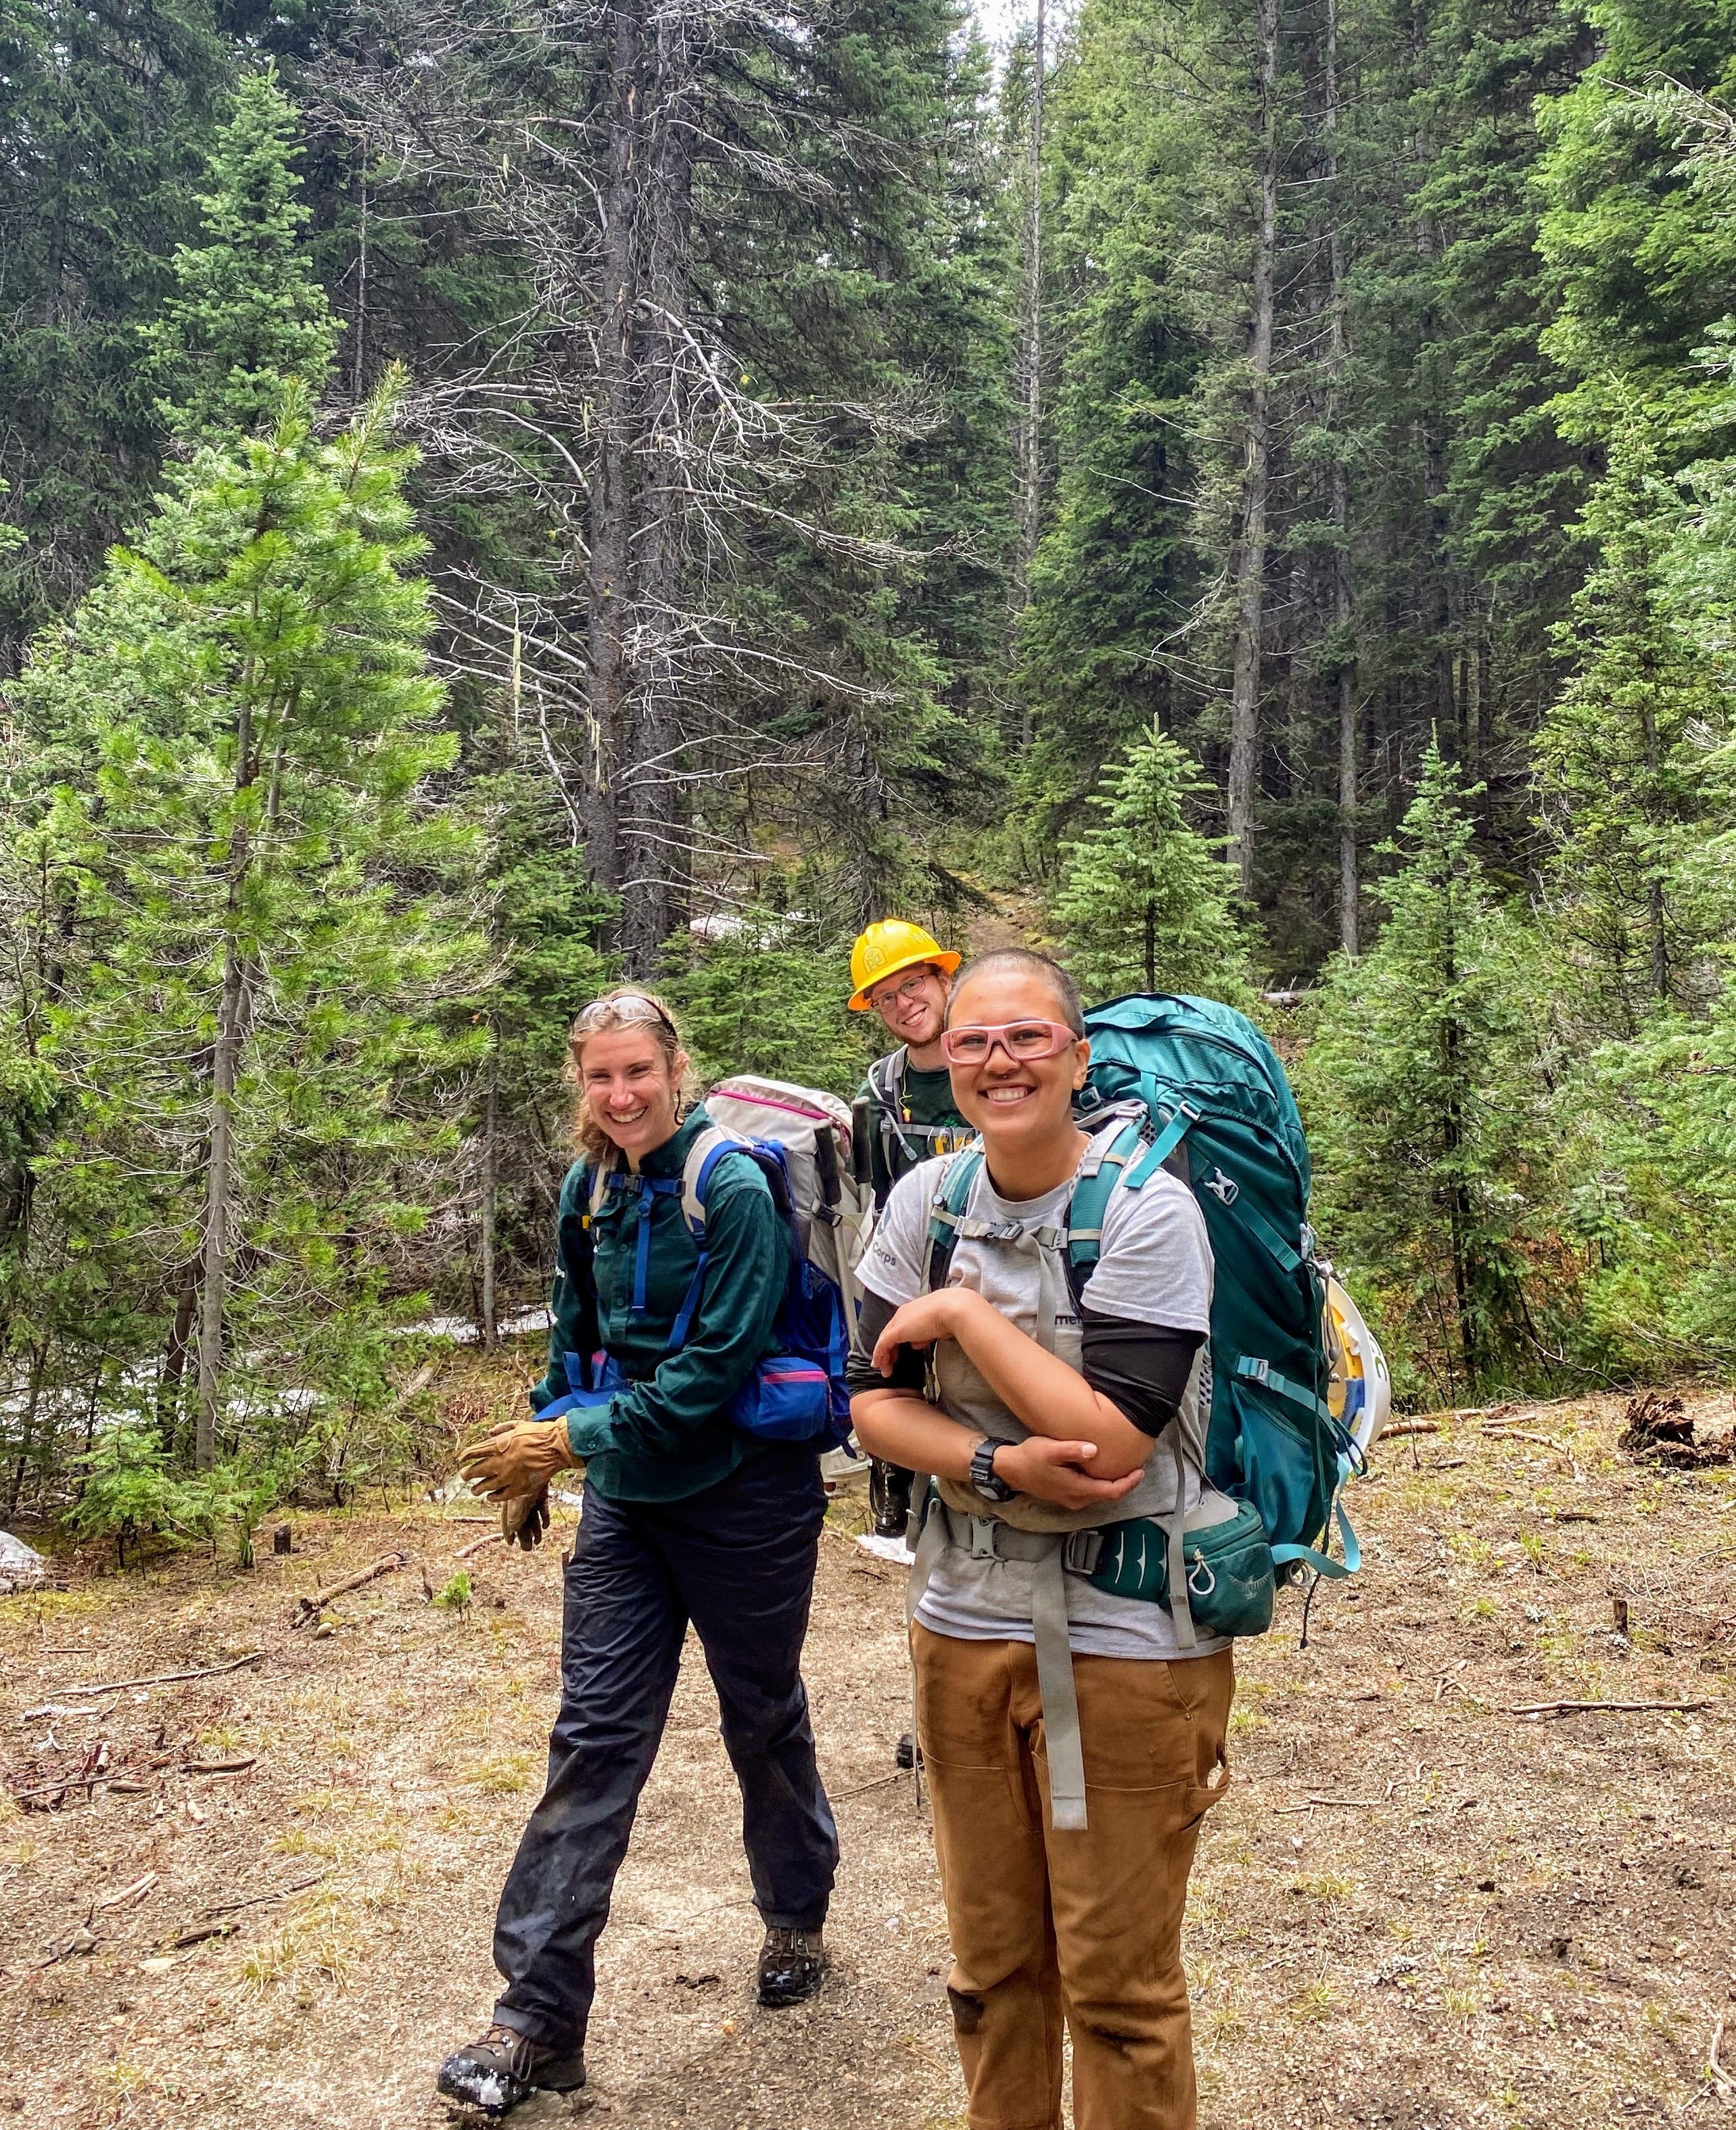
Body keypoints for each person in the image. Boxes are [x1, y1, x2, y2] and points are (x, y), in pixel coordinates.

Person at [849, 948, 1234, 2130]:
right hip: (959, 1625)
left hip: (1127, 1636)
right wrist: (986, 1462)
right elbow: (867, 1401)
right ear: (944, 1065)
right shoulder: (925, 1201)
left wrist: (962, 1309)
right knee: (990, 1974)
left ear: (1075, 1057)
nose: (997, 1062)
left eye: (1024, 1039)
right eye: (971, 1042)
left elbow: (1111, 1445)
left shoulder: (1147, 1211)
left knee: (1117, 1991)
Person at [439, 990, 837, 2117]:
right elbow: (579, 1334)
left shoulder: (735, 1189)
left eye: (637, 1073)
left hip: (746, 1495)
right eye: (599, 1077)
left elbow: (712, 1378)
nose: (620, 1096)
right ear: (582, 1083)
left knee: (758, 1712)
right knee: (594, 1739)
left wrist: (564, 1441)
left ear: (675, 1068)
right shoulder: (590, 1187)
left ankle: (796, 1912)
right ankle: (535, 2022)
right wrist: (540, 1446)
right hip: (626, 1502)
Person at [847, 919, 970, 1541]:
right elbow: (875, 1193)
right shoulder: (879, 1091)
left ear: (944, 979)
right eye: (885, 997)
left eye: (914, 984)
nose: (903, 1005)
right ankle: (893, 1477)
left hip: (998, 1252)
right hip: (913, 1262)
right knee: (877, 1365)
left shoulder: (989, 1059)